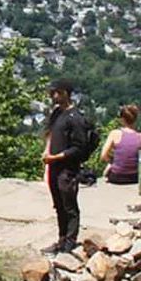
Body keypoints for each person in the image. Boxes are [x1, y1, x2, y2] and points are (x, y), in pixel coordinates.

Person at [41, 78, 91, 254]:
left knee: (69, 205)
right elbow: (49, 134)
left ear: (65, 93)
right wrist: (47, 152)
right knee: (58, 204)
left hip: (67, 168)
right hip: (54, 166)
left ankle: (70, 241)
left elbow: (78, 147)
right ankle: (61, 239)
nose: (53, 96)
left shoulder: (75, 118)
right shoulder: (57, 114)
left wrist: (56, 157)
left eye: (57, 92)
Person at [101, 104, 141, 185]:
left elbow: (103, 155)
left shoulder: (114, 133)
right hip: (134, 177)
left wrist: (112, 161)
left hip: (117, 177)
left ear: (122, 119)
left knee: (107, 169)